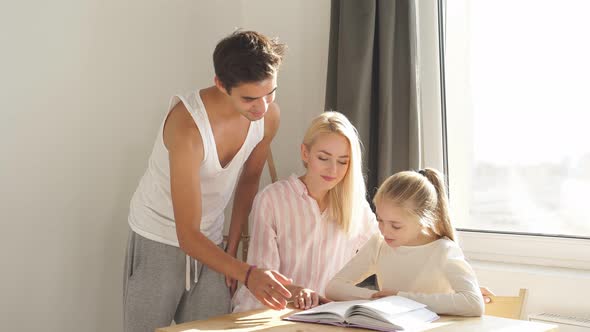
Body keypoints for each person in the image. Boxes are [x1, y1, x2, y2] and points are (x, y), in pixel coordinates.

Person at [123, 30, 293, 332]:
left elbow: (249, 181)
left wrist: (232, 248)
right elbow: (186, 235)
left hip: (212, 241)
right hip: (159, 238)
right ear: (220, 84)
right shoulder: (188, 128)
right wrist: (248, 273)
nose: (262, 107)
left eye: (270, 93)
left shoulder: (268, 117)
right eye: (250, 98)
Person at [232, 111, 380, 312]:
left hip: (325, 318)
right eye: (323, 158)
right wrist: (296, 292)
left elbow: (381, 253)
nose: (333, 170)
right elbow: (263, 276)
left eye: (343, 161)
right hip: (266, 314)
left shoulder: (356, 206)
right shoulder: (272, 200)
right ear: (305, 153)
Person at [326, 168, 485, 317]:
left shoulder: (444, 250)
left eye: (396, 226)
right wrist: (376, 297)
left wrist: (400, 299)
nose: (384, 231)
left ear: (423, 221)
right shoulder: (378, 243)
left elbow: (473, 303)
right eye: (380, 220)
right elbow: (334, 288)